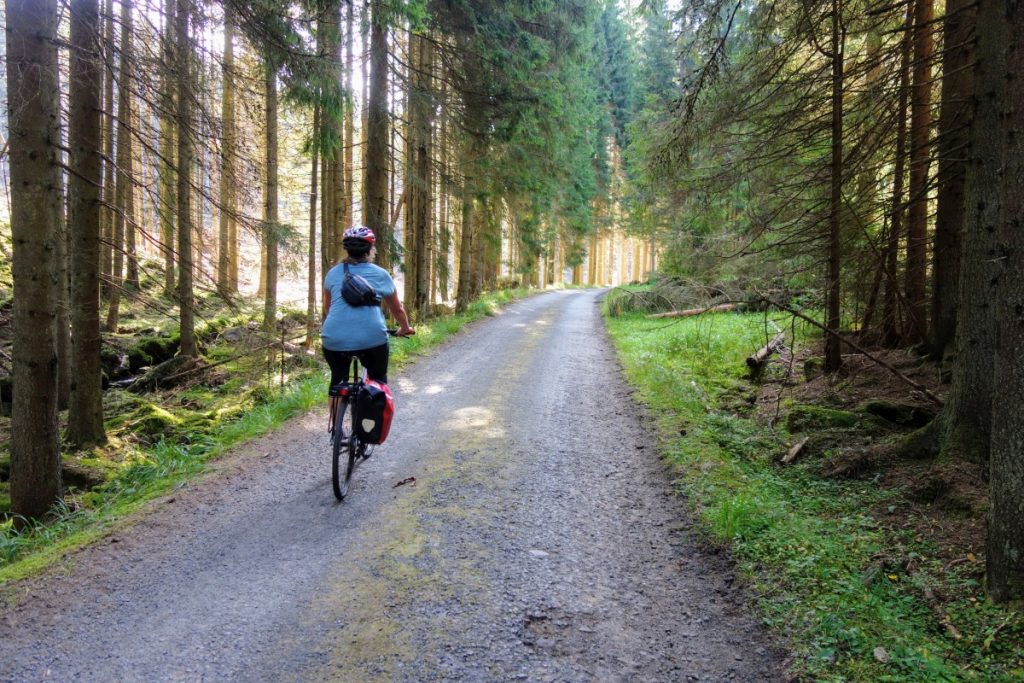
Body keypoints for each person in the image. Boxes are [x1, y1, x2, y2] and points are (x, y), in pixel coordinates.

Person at [321, 226, 414, 389]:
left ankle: (334, 414)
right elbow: (397, 309)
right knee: (378, 379)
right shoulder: (381, 274)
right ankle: (376, 407)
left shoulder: (333, 273)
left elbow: (327, 309)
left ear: (346, 251)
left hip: (333, 337)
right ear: (371, 249)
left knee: (337, 381)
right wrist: (405, 328)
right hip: (372, 337)